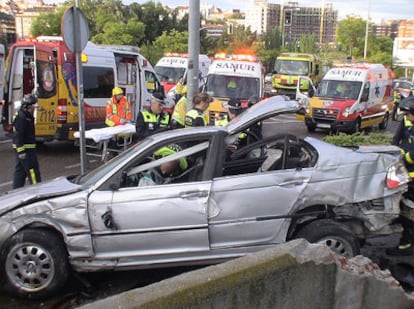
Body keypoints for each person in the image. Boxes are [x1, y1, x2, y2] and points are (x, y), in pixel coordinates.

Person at [389, 96, 414, 255]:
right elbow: (396, 139)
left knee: (409, 212)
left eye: (408, 115)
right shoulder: (408, 123)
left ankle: (408, 244)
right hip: (407, 176)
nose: (406, 118)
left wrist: (404, 158)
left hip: (411, 176)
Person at [12, 94, 42, 189]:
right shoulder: (22, 118)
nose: (33, 110)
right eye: (32, 107)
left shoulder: (26, 116)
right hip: (26, 150)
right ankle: (37, 189)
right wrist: (21, 151)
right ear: (27, 107)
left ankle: (15, 191)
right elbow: (18, 135)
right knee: (33, 171)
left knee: (20, 172)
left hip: (25, 149)